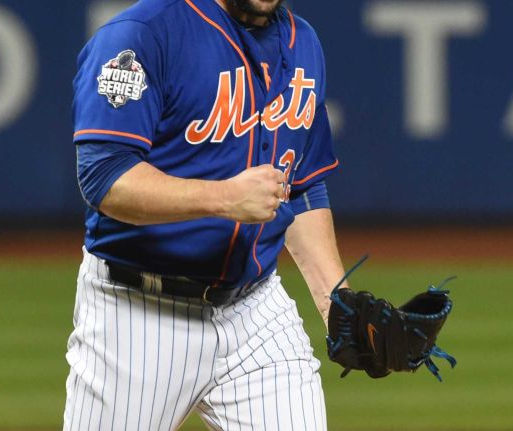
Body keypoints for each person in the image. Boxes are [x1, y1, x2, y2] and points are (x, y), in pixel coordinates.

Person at [64, 0, 346, 429]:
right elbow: (105, 178)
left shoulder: (302, 42)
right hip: (137, 312)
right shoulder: (142, 33)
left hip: (255, 311)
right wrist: (224, 198)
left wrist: (336, 303)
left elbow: (301, 184)